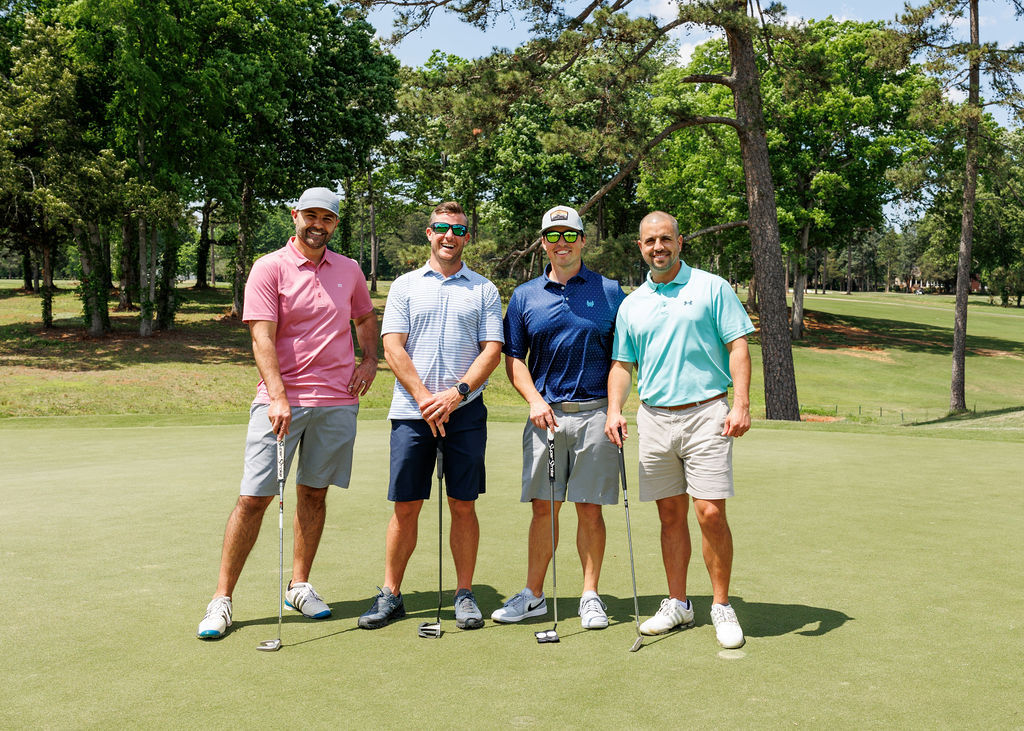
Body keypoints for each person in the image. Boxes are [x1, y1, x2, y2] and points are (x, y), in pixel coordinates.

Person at [197, 187, 379, 639]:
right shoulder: (269, 267)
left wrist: (370, 359)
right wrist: (278, 396)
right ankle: (221, 599)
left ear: (335, 224)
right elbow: (261, 336)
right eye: (311, 216)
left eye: (327, 218)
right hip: (280, 403)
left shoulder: (350, 269)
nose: (318, 225)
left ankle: (299, 586)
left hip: (336, 402)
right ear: (295, 216)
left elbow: (363, 318)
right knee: (253, 499)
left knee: (314, 494)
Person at [604, 210, 754, 649]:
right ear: (640, 247)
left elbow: (738, 345)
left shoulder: (712, 287)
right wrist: (614, 410)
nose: (658, 247)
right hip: (654, 418)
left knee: (710, 512)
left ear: (680, 241)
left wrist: (741, 403)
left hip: (706, 413)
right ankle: (678, 603)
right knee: (669, 516)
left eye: (665, 238)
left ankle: (721, 605)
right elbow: (622, 364)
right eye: (650, 241)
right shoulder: (632, 304)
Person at [358, 201, 503, 631]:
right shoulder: (404, 286)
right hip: (411, 413)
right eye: (441, 228)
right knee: (406, 506)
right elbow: (392, 347)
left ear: (467, 237)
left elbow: (492, 351)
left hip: (465, 413)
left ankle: (464, 594)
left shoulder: (484, 290)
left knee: (463, 504)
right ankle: (391, 594)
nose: (448, 236)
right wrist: (426, 399)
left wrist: (456, 395)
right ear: (429, 232)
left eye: (457, 230)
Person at [492, 205, 626, 630]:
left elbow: (622, 358)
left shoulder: (610, 291)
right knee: (543, 510)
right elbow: (514, 357)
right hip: (545, 417)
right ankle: (533, 595)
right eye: (553, 236)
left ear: (583, 240)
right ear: (543, 243)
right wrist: (533, 400)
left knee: (590, 510)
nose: (562, 243)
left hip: (596, 416)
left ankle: (590, 596)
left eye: (570, 235)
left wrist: (615, 409)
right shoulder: (525, 296)